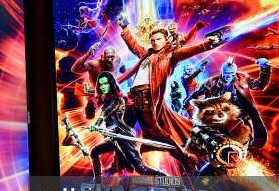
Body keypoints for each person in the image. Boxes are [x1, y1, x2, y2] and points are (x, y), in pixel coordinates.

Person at [116, 15, 221, 173]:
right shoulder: (146, 54)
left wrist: (208, 43)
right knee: (122, 129)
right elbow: (134, 45)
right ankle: (123, 162)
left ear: (166, 40)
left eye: (158, 39)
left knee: (154, 132)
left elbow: (191, 50)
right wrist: (125, 29)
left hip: (146, 96)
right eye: (152, 39)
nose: (154, 42)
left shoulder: (171, 56)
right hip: (133, 97)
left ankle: (186, 160)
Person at [88, 72, 165, 177]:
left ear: (111, 84)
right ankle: (97, 184)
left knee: (140, 168)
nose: (103, 87)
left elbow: (105, 112)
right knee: (94, 152)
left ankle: (164, 177)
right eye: (100, 85)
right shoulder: (107, 98)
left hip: (122, 136)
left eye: (105, 84)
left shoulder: (116, 99)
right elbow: (101, 102)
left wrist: (97, 124)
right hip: (112, 135)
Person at [183, 57, 272, 148]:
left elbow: (260, 86)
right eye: (226, 74)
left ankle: (255, 143)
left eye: (231, 74)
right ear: (222, 72)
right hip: (221, 110)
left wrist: (265, 69)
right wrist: (186, 102)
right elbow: (198, 93)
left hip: (241, 106)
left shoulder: (242, 78)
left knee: (252, 116)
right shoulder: (212, 82)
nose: (229, 76)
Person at [71, 44, 126, 119]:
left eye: (112, 57)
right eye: (107, 57)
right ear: (102, 57)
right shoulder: (94, 65)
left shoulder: (117, 59)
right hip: (96, 96)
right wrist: (88, 54)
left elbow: (122, 67)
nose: (110, 59)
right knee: (90, 115)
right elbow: (74, 69)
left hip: (112, 96)